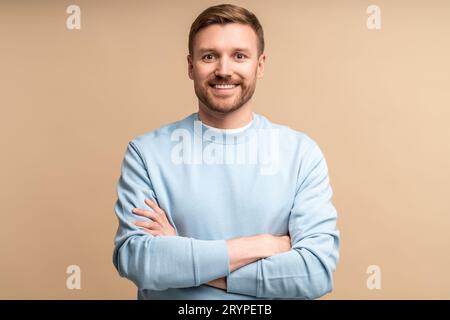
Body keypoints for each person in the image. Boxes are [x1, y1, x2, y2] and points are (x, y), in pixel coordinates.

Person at [112, 3, 340, 300]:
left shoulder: (301, 154)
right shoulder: (145, 153)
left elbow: (314, 273)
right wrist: (260, 245)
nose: (224, 70)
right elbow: (137, 261)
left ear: (259, 65)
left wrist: (184, 258)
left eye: (239, 56)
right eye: (209, 56)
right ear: (191, 66)